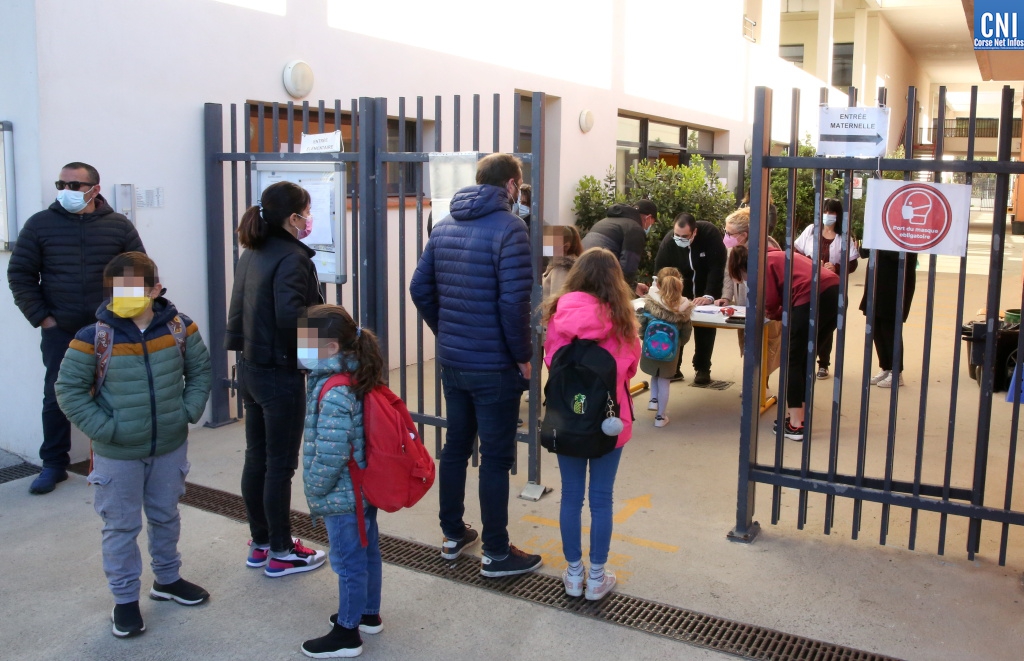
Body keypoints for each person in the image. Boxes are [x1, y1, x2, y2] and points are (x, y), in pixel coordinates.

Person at [54, 252, 212, 639]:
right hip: (117, 454)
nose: (122, 298)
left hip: (170, 445)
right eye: (115, 291)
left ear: (156, 289)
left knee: (165, 515)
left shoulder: (180, 328)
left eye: (133, 290)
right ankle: (124, 601)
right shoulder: (93, 338)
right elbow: (68, 391)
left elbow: (201, 371)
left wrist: (186, 411)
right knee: (121, 527)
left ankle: (168, 580)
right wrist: (105, 430)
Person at [410, 153, 542, 577]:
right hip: (495, 366)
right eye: (518, 185)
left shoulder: (444, 224)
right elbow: (513, 304)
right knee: (497, 458)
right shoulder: (510, 229)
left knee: (456, 446)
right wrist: (522, 357)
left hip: (455, 359)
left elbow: (419, 288)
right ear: (509, 185)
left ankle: (452, 534)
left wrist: (445, 330)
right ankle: (497, 552)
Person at [7, 161, 145, 495]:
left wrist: (123, 316)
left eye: (74, 186)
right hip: (62, 329)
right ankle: (54, 464)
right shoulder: (41, 225)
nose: (66, 191)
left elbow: (137, 270)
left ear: (95, 190)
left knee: (118, 393)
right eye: (62, 184)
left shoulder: (117, 225)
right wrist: (44, 318)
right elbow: (20, 274)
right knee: (58, 395)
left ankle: (119, 459)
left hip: (109, 328)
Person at [225, 181, 326, 577]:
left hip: (251, 366)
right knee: (279, 466)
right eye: (307, 211)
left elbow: (238, 310)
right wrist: (320, 350)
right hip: (278, 372)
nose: (309, 219)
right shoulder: (292, 257)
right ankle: (282, 551)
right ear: (294, 217)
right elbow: (291, 316)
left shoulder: (253, 251)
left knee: (258, 457)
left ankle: (261, 543)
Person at [542, 247, 640, 600]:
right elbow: (630, 369)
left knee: (570, 496)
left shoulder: (558, 315)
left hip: (567, 418)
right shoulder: (623, 320)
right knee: (601, 499)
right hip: (609, 421)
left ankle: (572, 574)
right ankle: (597, 577)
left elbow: (551, 361)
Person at [296, 305, 386, 658]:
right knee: (368, 553)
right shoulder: (356, 375)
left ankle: (347, 632)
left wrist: (315, 488)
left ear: (331, 347)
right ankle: (368, 613)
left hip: (342, 493)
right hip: (362, 487)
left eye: (307, 342)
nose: (301, 348)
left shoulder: (333, 390)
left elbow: (332, 453)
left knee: (348, 562)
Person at [727, 238, 839, 441]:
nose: (745, 281)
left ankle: (796, 426)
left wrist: (771, 312)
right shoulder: (776, 256)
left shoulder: (763, 267)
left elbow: (769, 303)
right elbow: (785, 303)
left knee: (793, 361)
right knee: (805, 357)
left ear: (742, 268)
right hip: (835, 294)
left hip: (811, 298)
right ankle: (800, 416)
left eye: (742, 278)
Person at [645, 212, 727, 385]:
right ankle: (674, 368)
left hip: (705, 287)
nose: (680, 238)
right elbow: (659, 271)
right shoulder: (669, 242)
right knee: (675, 325)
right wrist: (661, 295)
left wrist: (710, 295)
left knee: (705, 327)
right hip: (682, 288)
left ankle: (702, 368)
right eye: (677, 235)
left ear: (694, 232)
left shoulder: (710, 234)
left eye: (685, 236)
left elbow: (717, 267)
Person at [794, 198, 859, 379]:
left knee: (826, 324)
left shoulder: (844, 236)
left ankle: (823, 363)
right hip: (808, 284)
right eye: (825, 211)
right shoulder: (811, 230)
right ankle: (805, 360)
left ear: (838, 215)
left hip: (831, 287)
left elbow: (853, 263)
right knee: (807, 321)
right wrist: (809, 262)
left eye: (832, 212)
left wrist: (836, 268)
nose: (828, 216)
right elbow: (796, 251)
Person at [637, 267, 693, 427]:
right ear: (680, 285)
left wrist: (645, 339)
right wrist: (678, 345)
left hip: (650, 348)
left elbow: (642, 325)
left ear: (659, 285)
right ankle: (660, 417)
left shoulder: (650, 303)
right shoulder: (684, 308)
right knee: (664, 381)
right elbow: (686, 332)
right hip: (671, 352)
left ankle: (653, 399)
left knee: (654, 373)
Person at [859, 249, 917, 388]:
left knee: (889, 328)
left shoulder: (902, 233)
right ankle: (886, 367)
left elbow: (903, 256)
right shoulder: (877, 232)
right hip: (876, 280)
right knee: (876, 327)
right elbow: (864, 252)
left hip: (894, 284)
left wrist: (879, 245)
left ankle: (896, 373)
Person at [580, 200, 657, 288]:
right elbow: (628, 269)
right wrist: (628, 288)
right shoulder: (635, 229)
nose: (649, 227)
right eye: (652, 223)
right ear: (649, 218)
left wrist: (634, 286)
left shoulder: (604, 222)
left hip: (580, 273)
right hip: (600, 279)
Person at [542, 224, 583, 300]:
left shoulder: (561, 270)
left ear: (566, 246)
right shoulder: (571, 266)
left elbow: (555, 302)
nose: (545, 246)